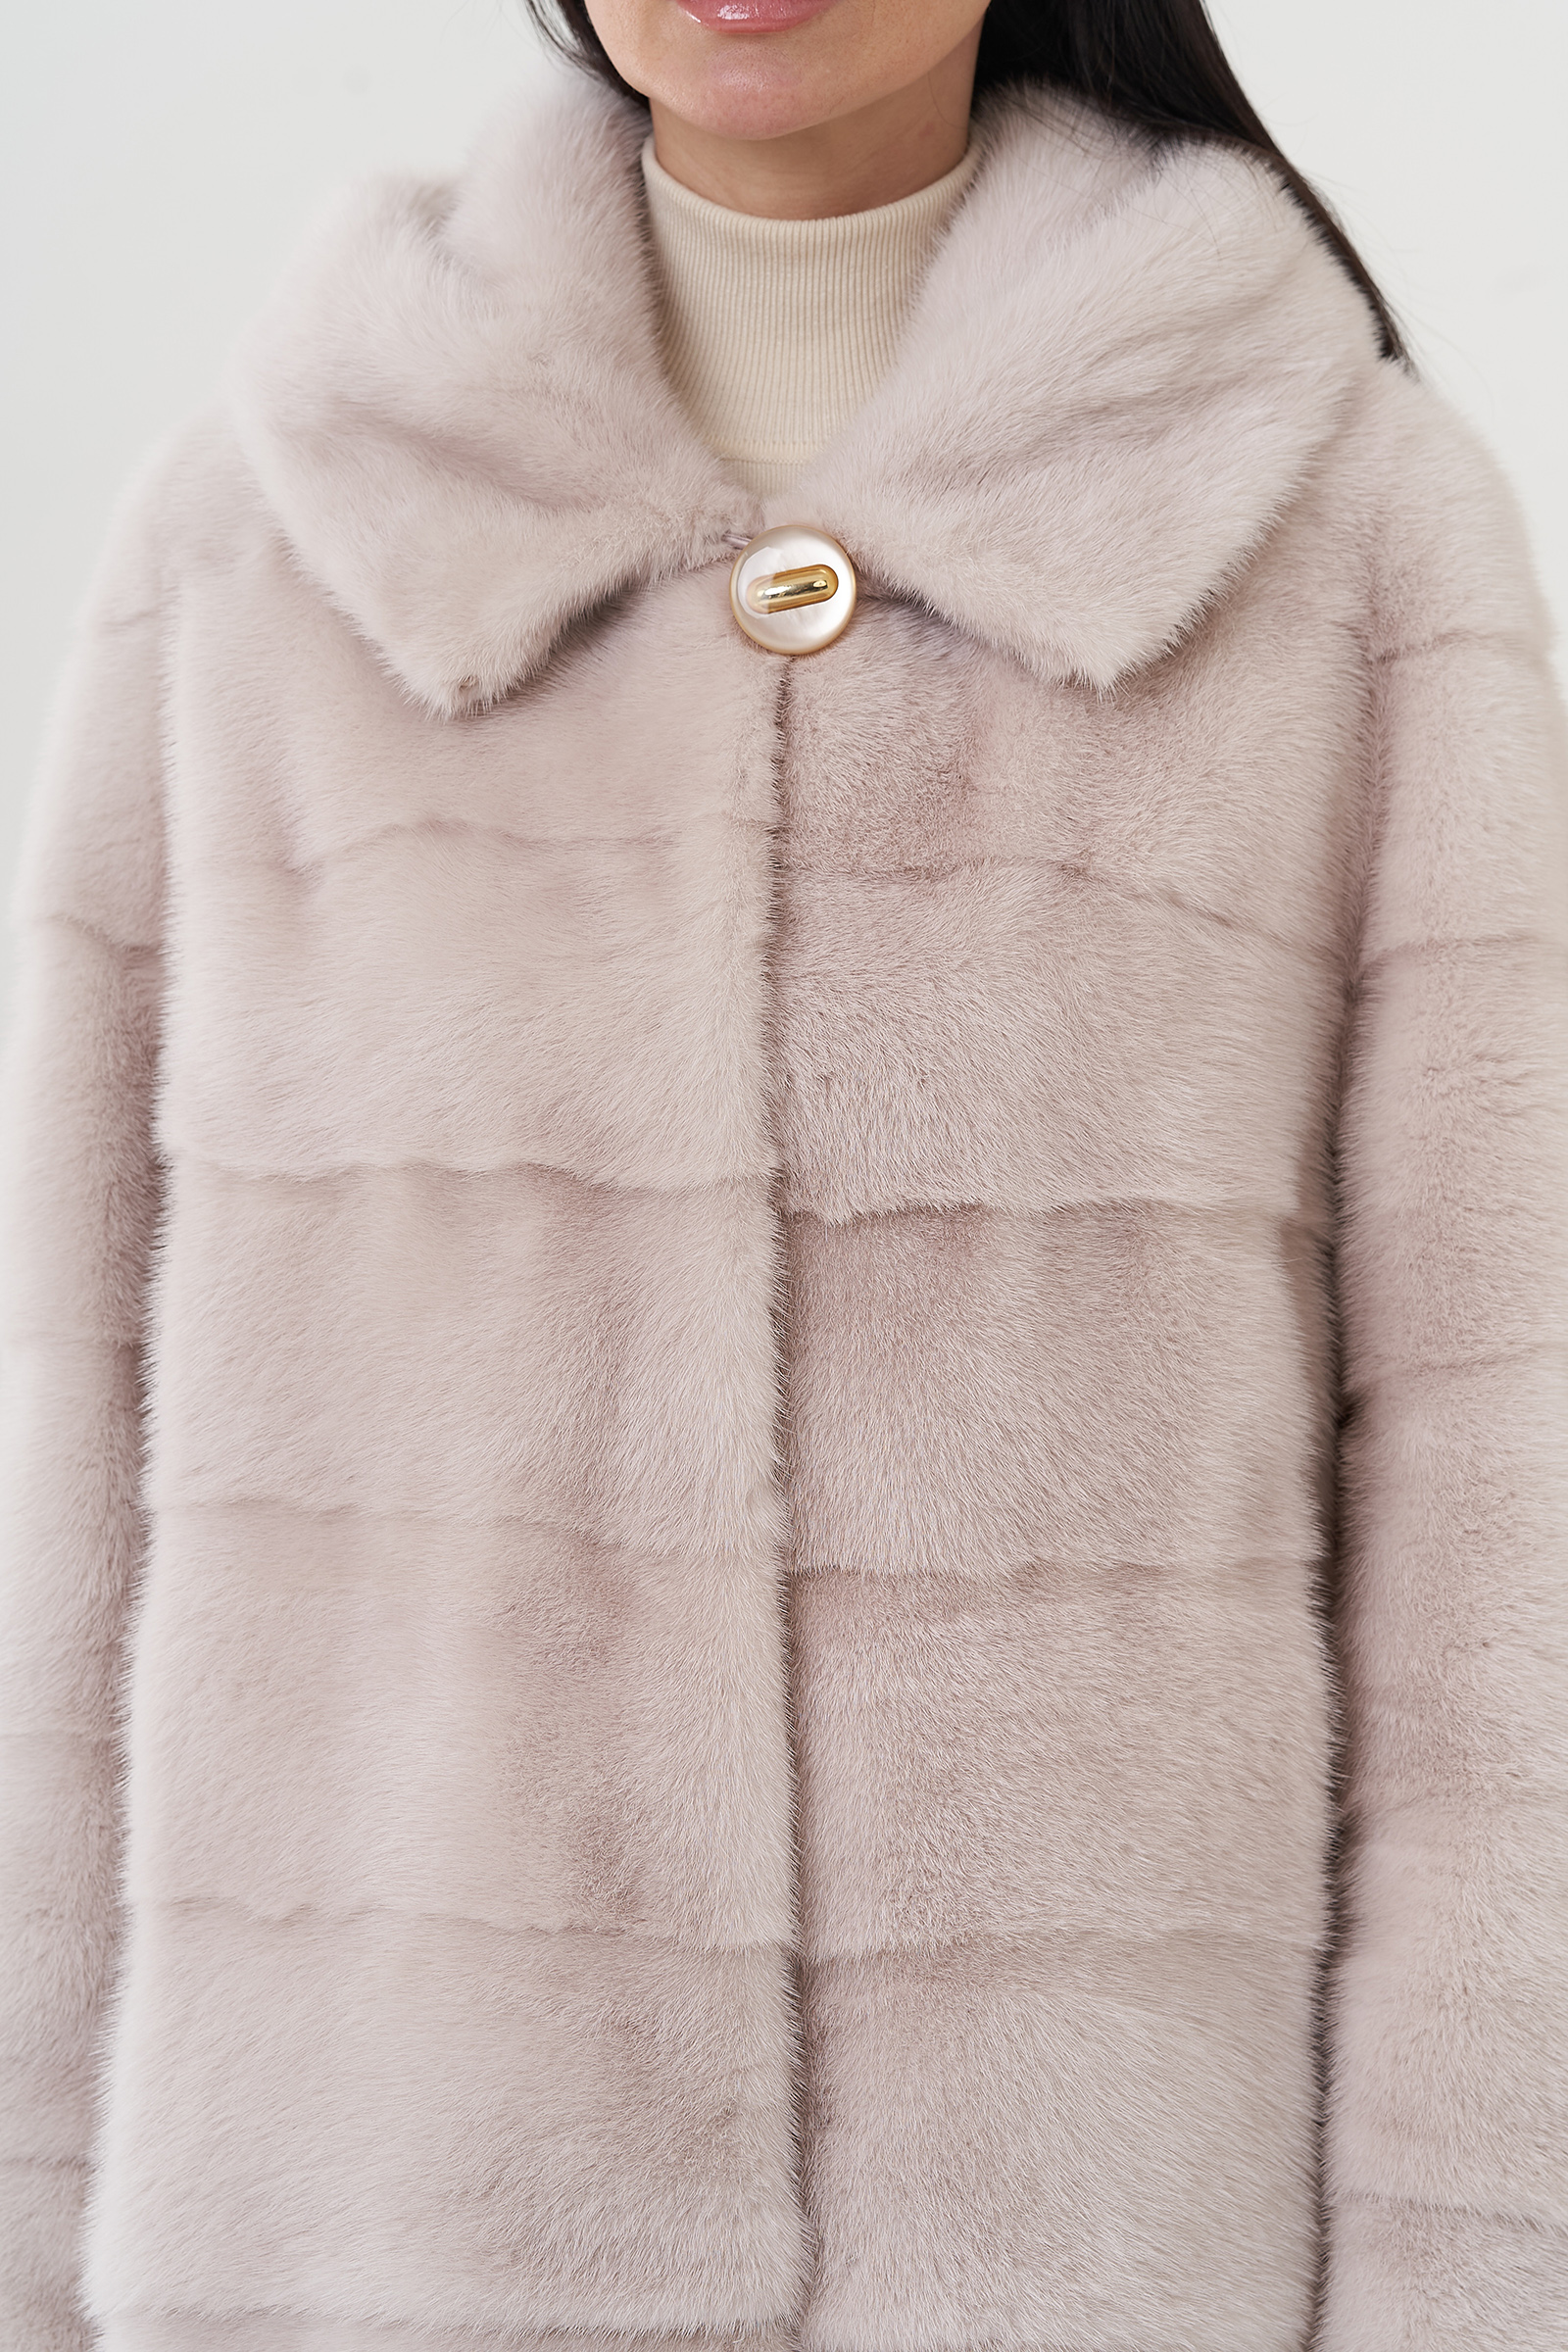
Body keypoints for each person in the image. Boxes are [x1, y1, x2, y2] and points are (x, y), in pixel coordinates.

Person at [2, 0, 1564, 2345]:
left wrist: (1472, 2270)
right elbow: (67, 1476)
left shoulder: (1340, 535)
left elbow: (1498, 1495)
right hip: (375, 2224)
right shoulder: (265, 537)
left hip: (1071, 2245)